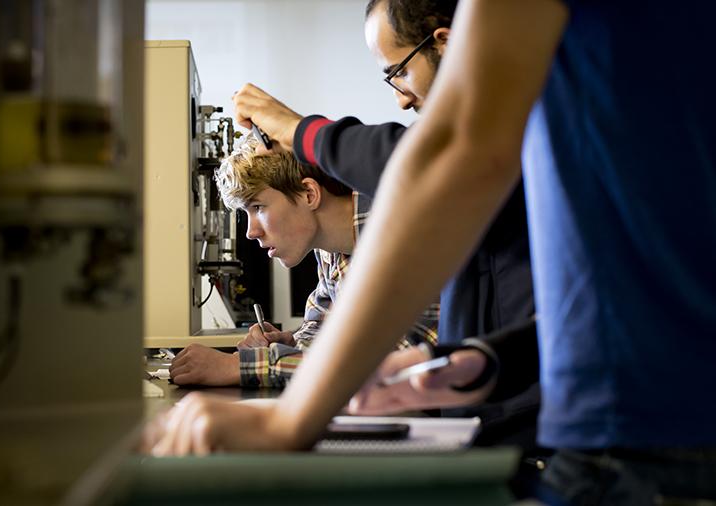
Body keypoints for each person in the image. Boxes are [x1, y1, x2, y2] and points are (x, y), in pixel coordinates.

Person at [152, 0, 716, 502]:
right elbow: (629, 285)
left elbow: (450, 151)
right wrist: (488, 357)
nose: (400, 100)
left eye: (397, 72)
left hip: (644, 434)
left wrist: (292, 420)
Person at [232, 0, 541, 452]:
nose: (399, 97)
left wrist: (300, 131)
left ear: (446, 44)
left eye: (398, 71)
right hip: (492, 426)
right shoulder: (336, 252)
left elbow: (432, 159)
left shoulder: (512, 134)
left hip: (537, 433)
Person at [169, 135, 438, 388]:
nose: (251, 232)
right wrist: (289, 342)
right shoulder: (331, 248)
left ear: (309, 194)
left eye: (258, 208)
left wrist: (239, 366)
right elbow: (323, 326)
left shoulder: (393, 231)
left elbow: (389, 365)